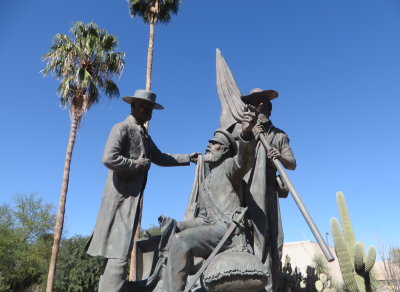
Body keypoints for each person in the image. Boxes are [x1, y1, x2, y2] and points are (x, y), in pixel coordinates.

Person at [85, 89, 199, 292]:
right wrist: (135, 164)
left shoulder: (144, 135)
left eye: (150, 107)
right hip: (119, 198)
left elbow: (161, 158)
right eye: (144, 106)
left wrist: (188, 158)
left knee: (121, 248)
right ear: (133, 106)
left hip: (131, 200)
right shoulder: (122, 128)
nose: (148, 110)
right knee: (117, 250)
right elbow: (109, 157)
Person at [162, 105, 259, 292]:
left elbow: (244, 162)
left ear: (223, 150)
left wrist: (246, 134)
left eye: (214, 143)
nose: (208, 145)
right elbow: (203, 219)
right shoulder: (206, 183)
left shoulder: (228, 168)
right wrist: (177, 224)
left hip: (230, 231)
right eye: (209, 142)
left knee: (182, 241)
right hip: (214, 231)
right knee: (176, 238)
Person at [241, 88, 297, 292]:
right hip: (246, 190)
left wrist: (279, 157)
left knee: (275, 239)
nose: (261, 106)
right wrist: (247, 132)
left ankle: (272, 285)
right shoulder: (244, 129)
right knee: (252, 238)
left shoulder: (279, 135)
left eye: (264, 102)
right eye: (256, 102)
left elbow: (292, 163)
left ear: (269, 107)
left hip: (269, 192)